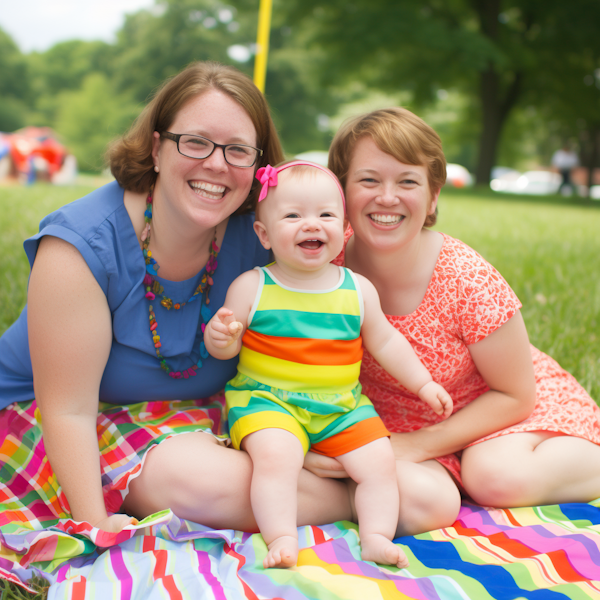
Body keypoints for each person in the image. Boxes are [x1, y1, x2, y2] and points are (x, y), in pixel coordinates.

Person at [0, 62, 355, 536]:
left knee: (230, 472)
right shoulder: (81, 245)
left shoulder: (266, 237)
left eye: (238, 150)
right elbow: (67, 410)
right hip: (61, 420)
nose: (216, 164)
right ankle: (364, 500)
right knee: (198, 483)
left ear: (258, 167)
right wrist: (96, 522)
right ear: (156, 148)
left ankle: (369, 494)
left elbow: (334, 321)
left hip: (200, 414)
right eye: (195, 142)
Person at [301, 107, 600, 535]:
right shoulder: (322, 260)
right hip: (391, 423)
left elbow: (516, 395)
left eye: (408, 181)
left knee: (494, 476)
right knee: (417, 501)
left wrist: (414, 446)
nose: (387, 197)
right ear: (342, 190)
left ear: (433, 196)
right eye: (369, 180)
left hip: (497, 412)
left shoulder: (464, 278)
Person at [204, 160, 453, 568]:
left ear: (344, 228)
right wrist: (222, 339)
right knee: (276, 458)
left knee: (379, 462)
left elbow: (387, 342)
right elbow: (226, 346)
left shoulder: (357, 289)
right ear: (264, 234)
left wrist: (423, 384)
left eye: (325, 214)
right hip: (267, 401)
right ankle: (282, 536)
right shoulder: (254, 285)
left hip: (341, 404)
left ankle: (375, 536)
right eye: (293, 215)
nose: (311, 224)